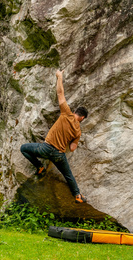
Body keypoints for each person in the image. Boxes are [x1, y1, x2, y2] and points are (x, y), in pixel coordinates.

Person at [20, 70, 89, 204]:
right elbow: (73, 148)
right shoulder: (78, 131)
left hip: (45, 149)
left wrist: (59, 76)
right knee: (68, 175)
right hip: (59, 154)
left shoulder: (67, 114)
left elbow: (60, 93)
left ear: (75, 112)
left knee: (23, 148)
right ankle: (77, 195)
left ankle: (39, 167)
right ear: (82, 118)